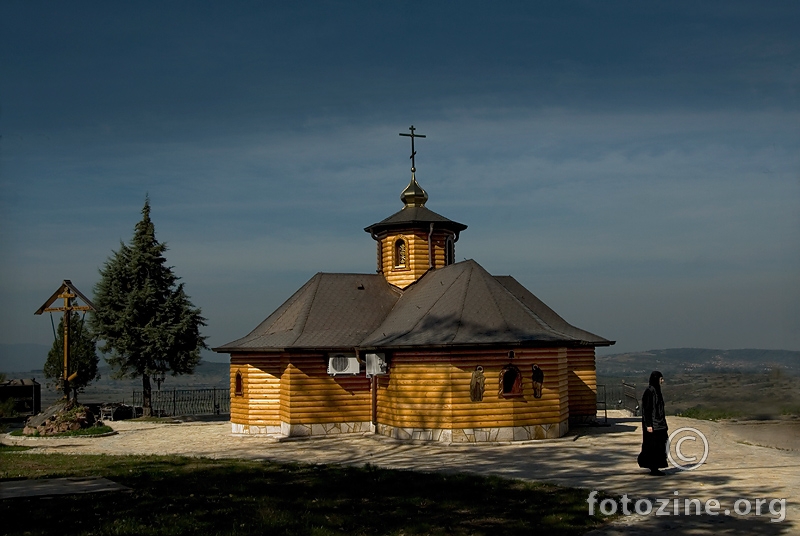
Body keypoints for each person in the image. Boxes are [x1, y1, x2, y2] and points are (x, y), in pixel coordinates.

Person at [637, 371, 668, 476]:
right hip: (653, 425)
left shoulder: (657, 391)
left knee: (661, 445)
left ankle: (657, 466)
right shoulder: (649, 392)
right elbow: (647, 409)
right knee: (653, 446)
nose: (662, 381)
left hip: (660, 424)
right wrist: (649, 425)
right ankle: (653, 467)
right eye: (661, 379)